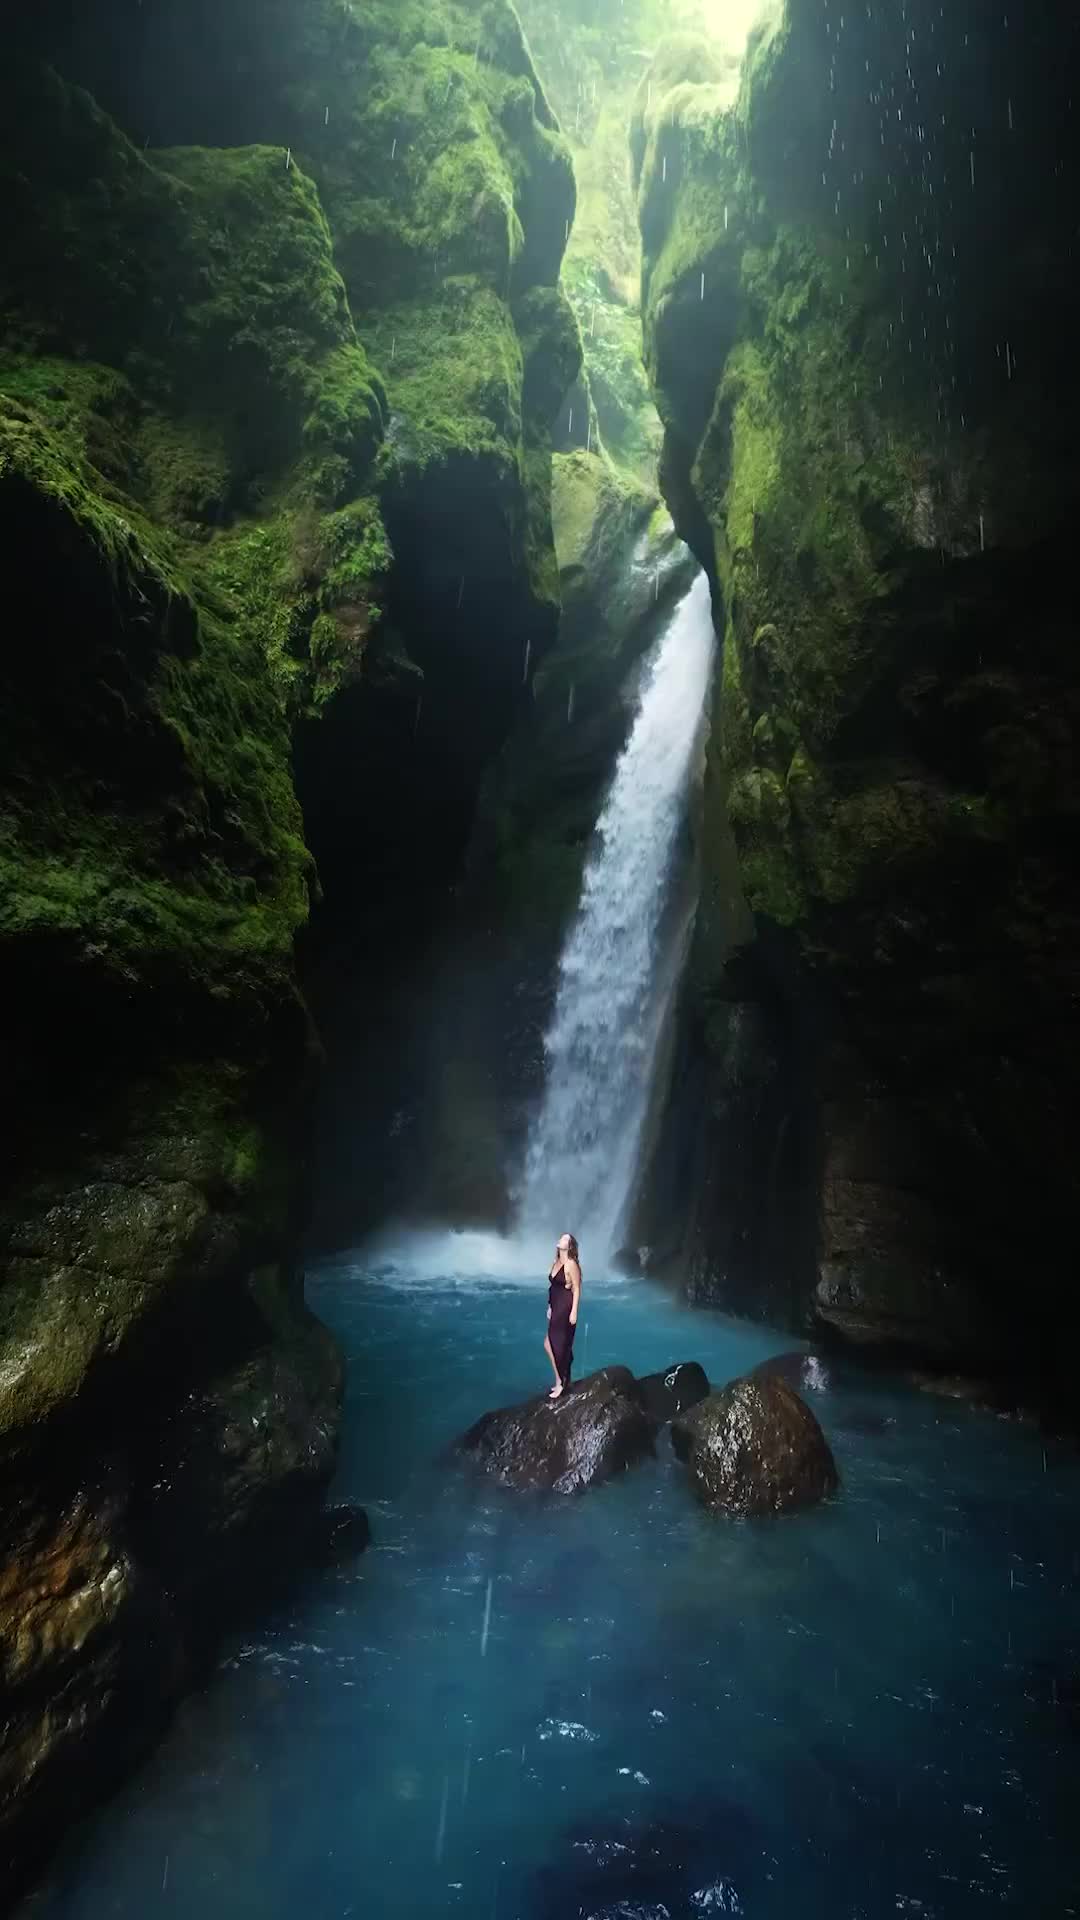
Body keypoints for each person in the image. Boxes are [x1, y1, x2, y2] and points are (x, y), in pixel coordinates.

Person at [544, 1232, 581, 1400]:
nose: (561, 1239)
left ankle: (560, 1382)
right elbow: (552, 1287)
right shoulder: (556, 1261)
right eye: (561, 1237)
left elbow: (577, 1289)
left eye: (565, 1238)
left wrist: (574, 1311)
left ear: (570, 1245)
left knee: (552, 1343)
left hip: (565, 1306)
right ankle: (563, 1378)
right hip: (556, 1305)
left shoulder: (571, 1264)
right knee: (555, 1344)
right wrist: (549, 1305)